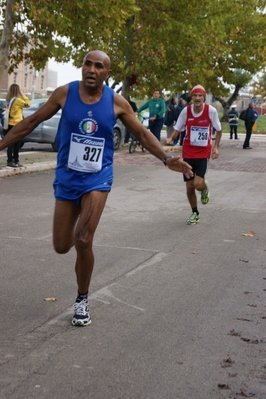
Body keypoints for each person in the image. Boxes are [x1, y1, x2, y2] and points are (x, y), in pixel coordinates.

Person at [0, 50, 193, 327]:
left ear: (107, 73)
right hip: (67, 179)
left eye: (99, 66)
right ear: (82, 67)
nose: (91, 69)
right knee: (62, 245)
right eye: (87, 64)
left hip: (97, 178)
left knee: (83, 239)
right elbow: (31, 122)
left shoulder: (116, 102)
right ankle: (76, 217)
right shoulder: (64, 94)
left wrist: (165, 158)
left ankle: (82, 300)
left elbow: (141, 133)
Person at [164, 84, 222, 225]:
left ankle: (204, 188)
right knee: (189, 186)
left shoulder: (211, 111)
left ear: (204, 97)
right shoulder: (186, 111)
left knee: (198, 184)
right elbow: (178, 128)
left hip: (203, 152)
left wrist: (215, 147)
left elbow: (218, 130)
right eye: (195, 95)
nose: (197, 98)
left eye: (200, 95)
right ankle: (195, 212)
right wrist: (171, 138)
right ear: (191, 98)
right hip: (188, 151)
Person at [4, 84, 30, 167]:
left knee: (10, 143)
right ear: (17, 90)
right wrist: (22, 94)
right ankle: (16, 160)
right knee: (17, 144)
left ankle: (10, 160)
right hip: (17, 124)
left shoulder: (8, 99)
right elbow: (28, 104)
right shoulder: (18, 100)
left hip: (9, 124)